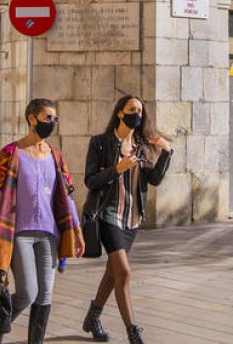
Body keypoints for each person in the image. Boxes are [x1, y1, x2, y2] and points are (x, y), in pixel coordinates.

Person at [0, 98, 85, 344]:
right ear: (32, 118)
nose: (52, 123)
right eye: (47, 117)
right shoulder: (11, 153)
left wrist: (77, 230)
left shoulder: (55, 156)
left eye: (54, 119)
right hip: (19, 234)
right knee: (27, 293)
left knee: (45, 294)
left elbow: (67, 195)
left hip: (50, 234)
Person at [81, 95, 173, 344]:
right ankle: (133, 332)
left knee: (113, 274)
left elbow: (153, 180)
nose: (138, 114)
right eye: (132, 109)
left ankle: (92, 318)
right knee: (124, 271)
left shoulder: (141, 146)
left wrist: (166, 152)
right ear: (120, 113)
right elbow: (90, 180)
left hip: (132, 219)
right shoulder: (100, 143)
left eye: (140, 110)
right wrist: (117, 169)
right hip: (107, 215)